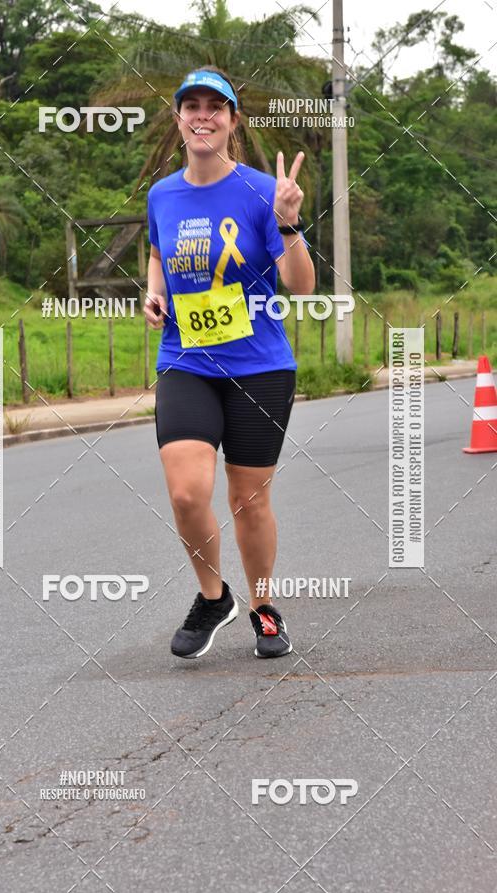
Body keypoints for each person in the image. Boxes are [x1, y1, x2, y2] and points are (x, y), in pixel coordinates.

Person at [145, 66, 315, 660]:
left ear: (232, 121)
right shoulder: (162, 195)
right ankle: (213, 596)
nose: (202, 116)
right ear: (178, 119)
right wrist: (154, 291)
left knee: (249, 498)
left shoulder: (264, 191)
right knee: (188, 494)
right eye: (191, 106)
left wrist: (289, 223)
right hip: (185, 361)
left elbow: (301, 284)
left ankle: (264, 607)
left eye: (214, 107)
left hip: (259, 367)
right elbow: (158, 252)